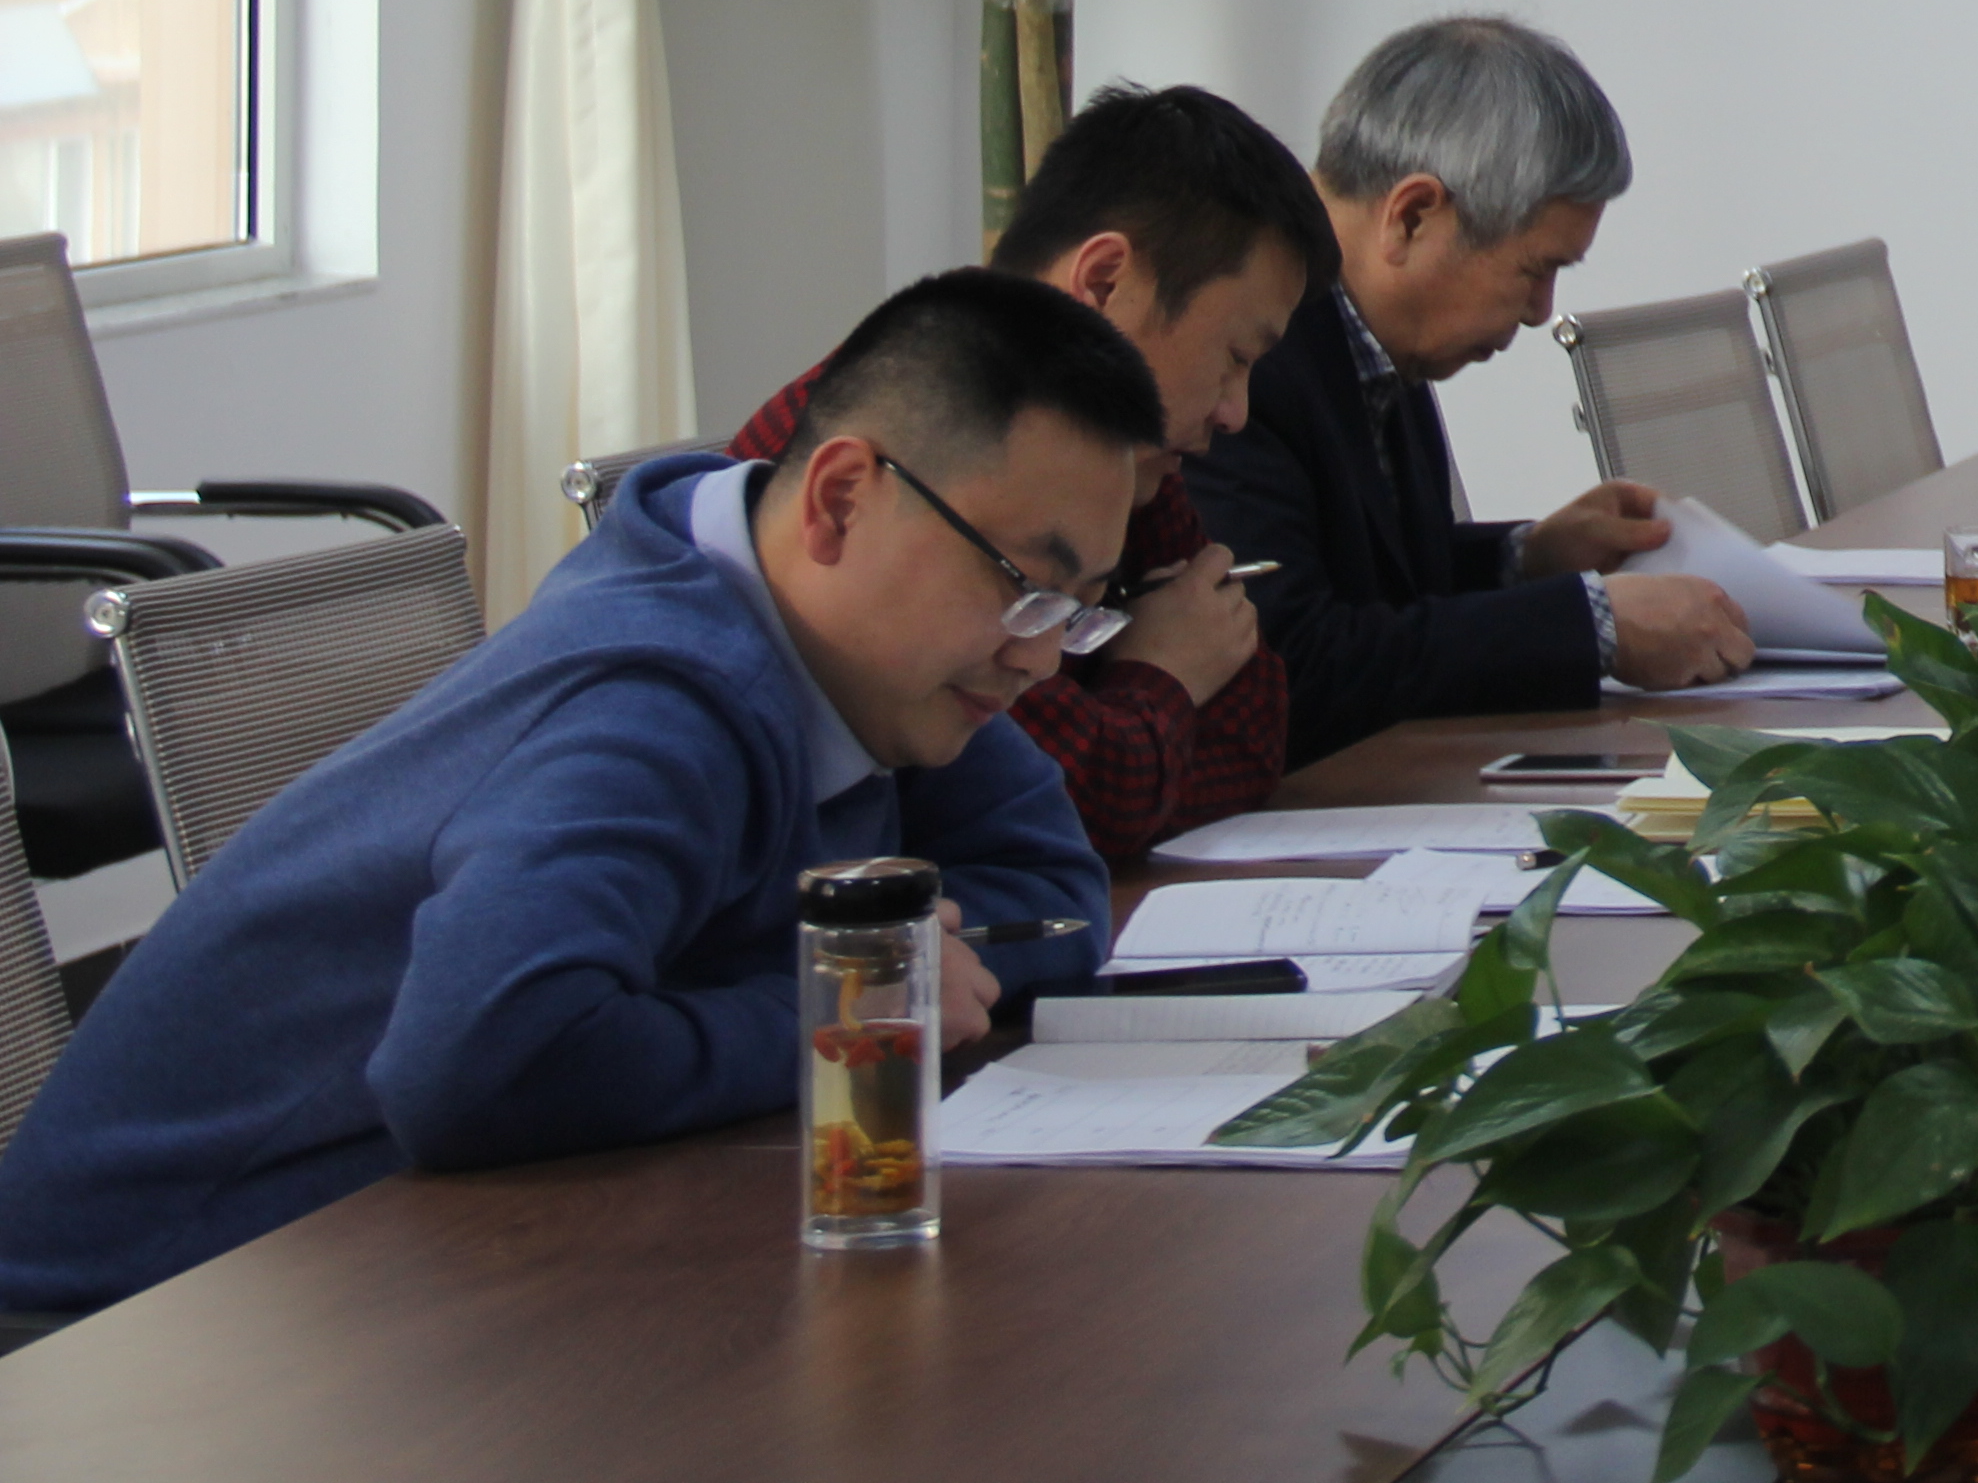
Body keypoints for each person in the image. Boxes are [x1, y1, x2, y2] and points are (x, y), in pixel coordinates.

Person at [0, 271, 1142, 1318]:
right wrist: (862, 1002)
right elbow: (481, 1063)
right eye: (1022, 585)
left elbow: (1053, 897)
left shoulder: (877, 659)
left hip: (389, 1264)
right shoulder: (652, 704)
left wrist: (832, 986)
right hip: (136, 1327)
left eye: (1075, 608)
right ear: (840, 501)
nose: (1040, 656)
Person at [725, 82, 1323, 864]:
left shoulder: (1123, 458)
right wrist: (1166, 676)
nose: (1236, 412)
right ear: (1104, 283)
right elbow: (1071, 802)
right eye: (1235, 356)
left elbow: (1252, 731)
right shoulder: (914, 445)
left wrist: (1131, 733)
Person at [1191, 15, 1748, 763]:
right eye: (1535, 269)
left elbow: (1368, 581)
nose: (1541, 310)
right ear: (1413, 216)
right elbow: (1288, 658)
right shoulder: (1246, 353)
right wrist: (1590, 624)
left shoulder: (1371, 328)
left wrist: (1525, 559)